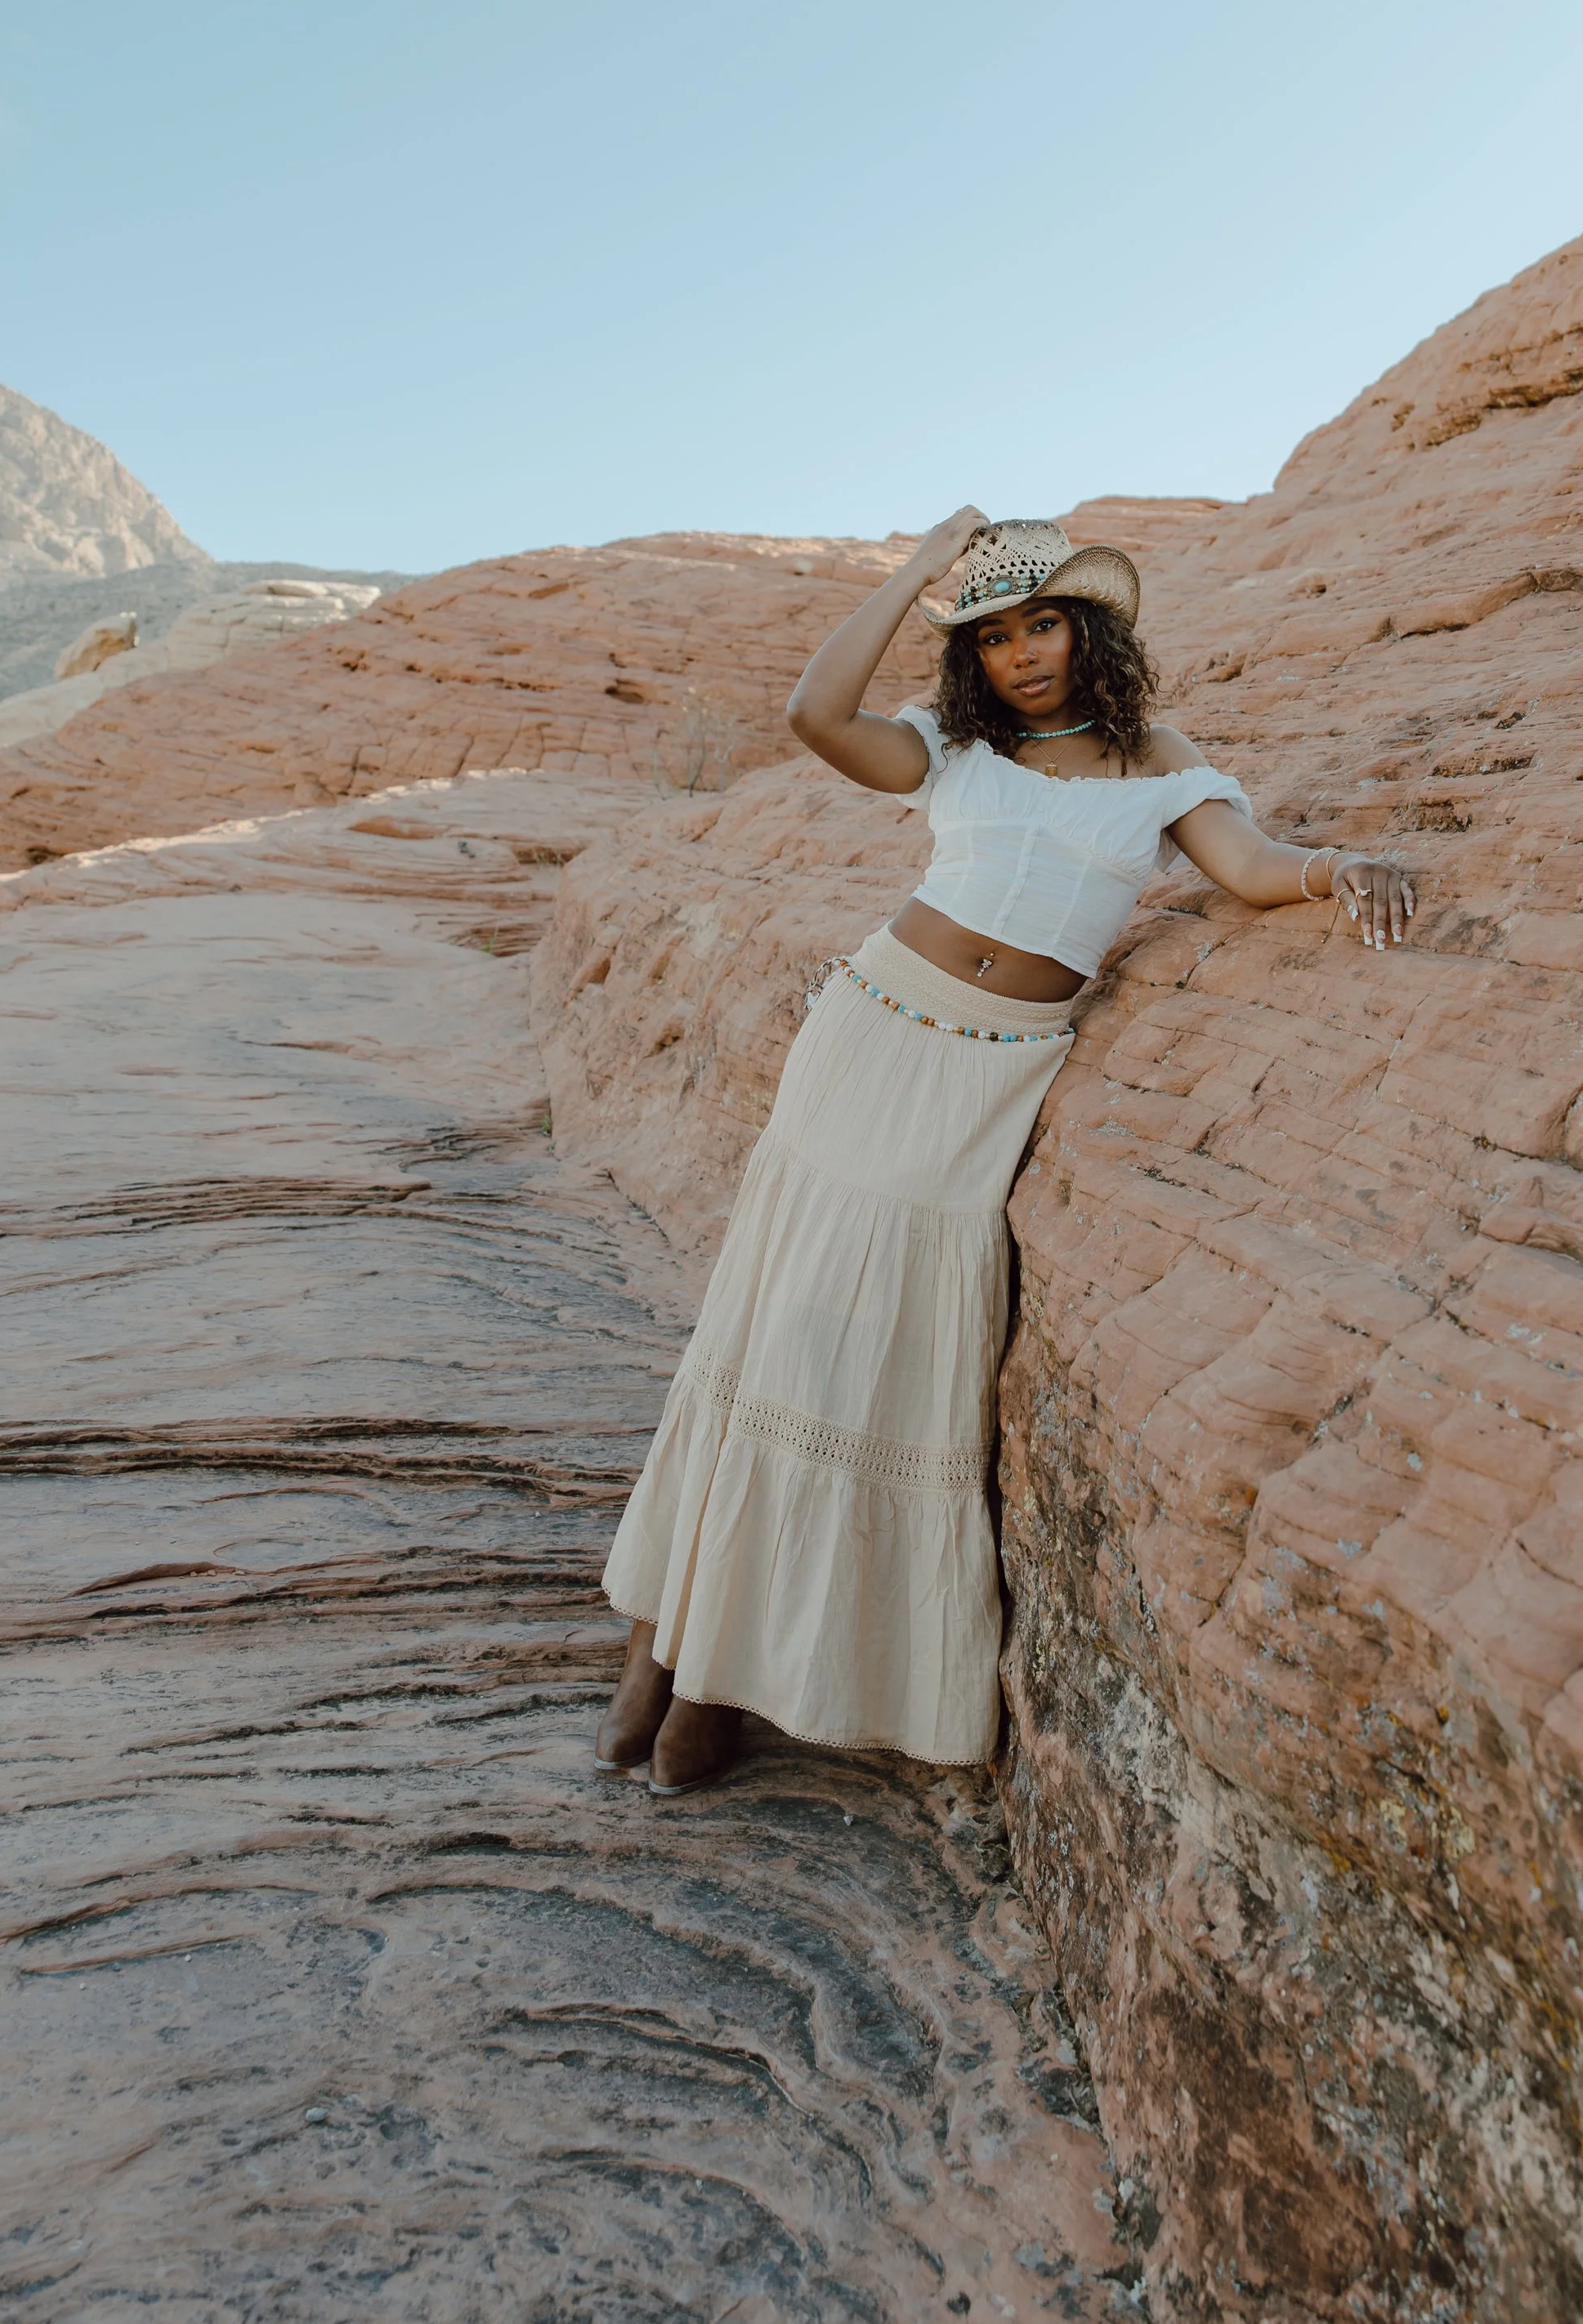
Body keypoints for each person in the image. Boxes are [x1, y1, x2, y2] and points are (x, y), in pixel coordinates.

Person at [594, 510, 1418, 1792]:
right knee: (779, 1325)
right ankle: (668, 1652)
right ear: (969, 658)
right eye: (991, 636)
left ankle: (713, 1670)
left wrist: (1335, 871)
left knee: (863, 1354)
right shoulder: (952, 749)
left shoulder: (1163, 761)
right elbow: (817, 716)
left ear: (1090, 631)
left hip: (986, 1075)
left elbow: (1248, 866)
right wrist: (918, 573)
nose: (1023, 654)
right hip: (866, 1037)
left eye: (1042, 625)